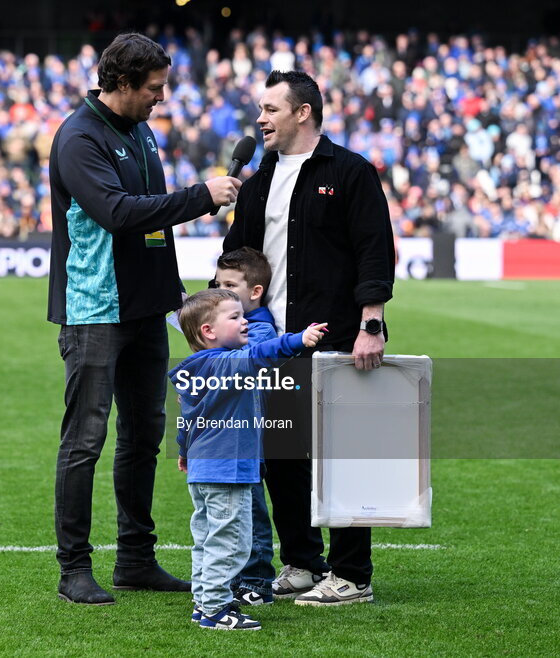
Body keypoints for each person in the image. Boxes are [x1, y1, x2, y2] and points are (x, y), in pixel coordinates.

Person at [47, 32, 242, 605]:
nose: (162, 96)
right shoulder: (78, 138)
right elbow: (116, 213)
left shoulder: (141, 132)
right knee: (85, 440)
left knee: (144, 437)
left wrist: (172, 294)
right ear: (123, 84)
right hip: (96, 310)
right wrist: (200, 196)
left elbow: (152, 227)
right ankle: (73, 569)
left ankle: (135, 558)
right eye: (154, 87)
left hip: (145, 308)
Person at [223, 70, 395, 606]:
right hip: (275, 342)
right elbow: (239, 254)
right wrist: (224, 313)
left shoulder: (349, 172)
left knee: (342, 457)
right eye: (260, 109)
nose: (261, 119)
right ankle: (301, 560)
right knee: (283, 457)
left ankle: (352, 575)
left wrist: (372, 323)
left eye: (271, 109)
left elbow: (374, 249)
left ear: (303, 112)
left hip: (339, 338)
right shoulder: (258, 180)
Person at [171, 288, 326, 629]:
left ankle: (204, 601)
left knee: (208, 539)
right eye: (235, 317)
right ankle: (215, 609)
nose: (246, 322)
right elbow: (261, 355)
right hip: (228, 469)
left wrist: (184, 452)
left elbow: (187, 421)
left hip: (203, 468)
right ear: (208, 332)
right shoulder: (225, 364)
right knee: (232, 543)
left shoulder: (199, 368)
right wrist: (298, 340)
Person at [211, 247, 276, 605]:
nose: (221, 290)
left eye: (230, 285)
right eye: (217, 283)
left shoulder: (259, 329)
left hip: (248, 435)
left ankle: (257, 580)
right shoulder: (235, 323)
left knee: (250, 507)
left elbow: (246, 363)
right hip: (225, 434)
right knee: (230, 508)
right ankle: (233, 577)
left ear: (255, 292)